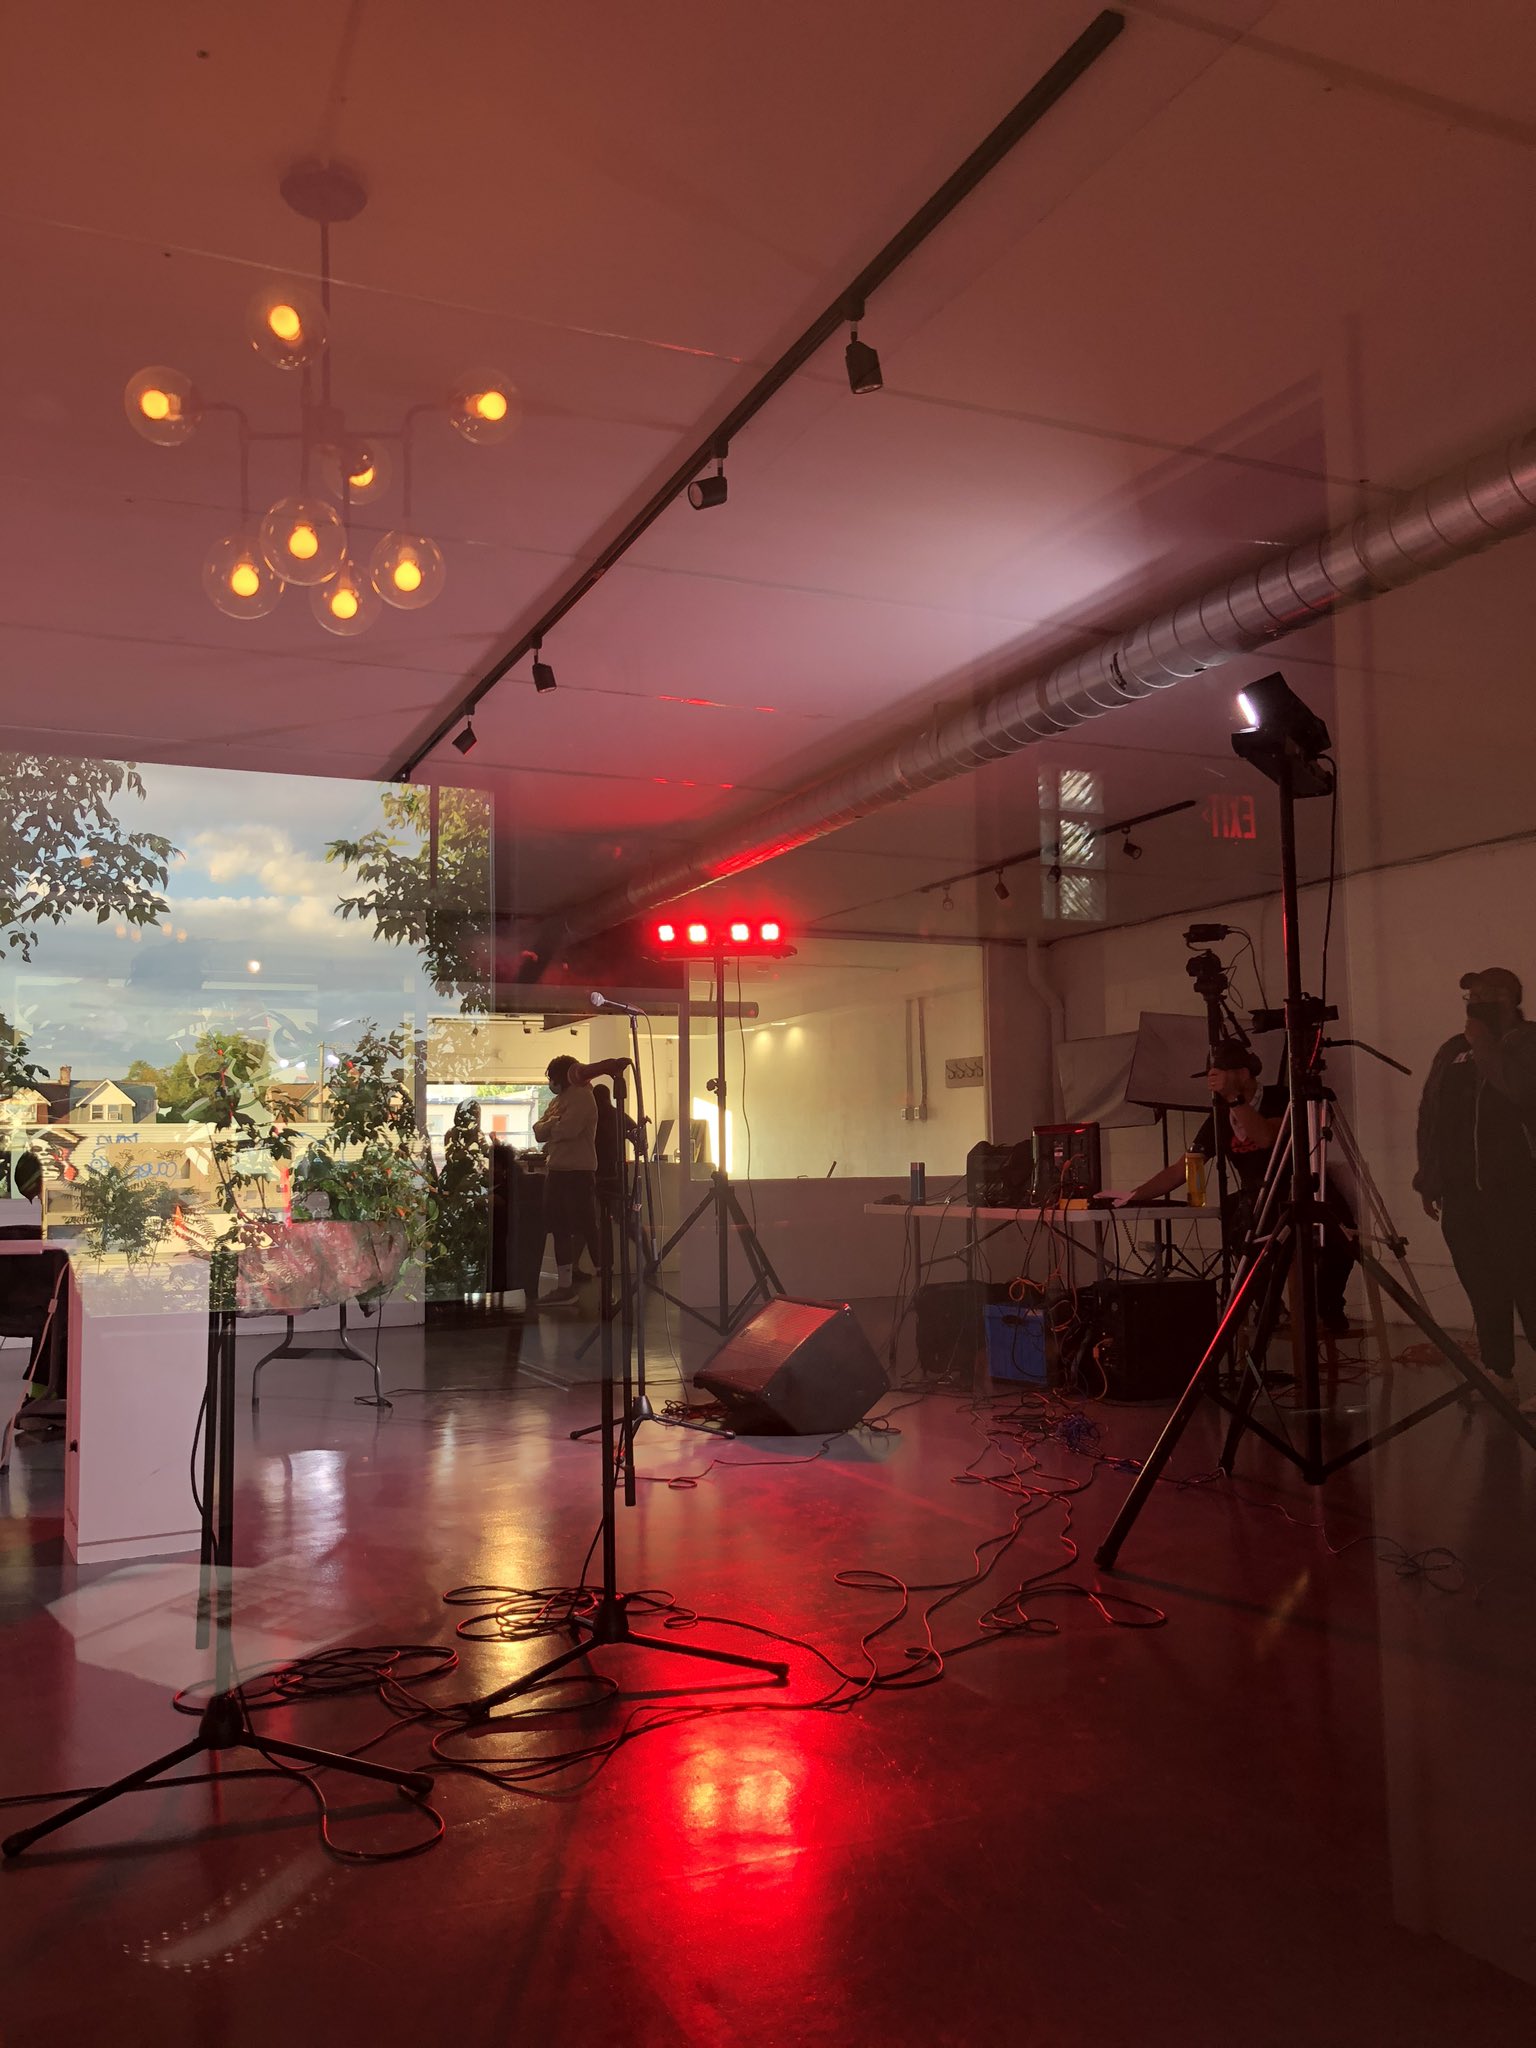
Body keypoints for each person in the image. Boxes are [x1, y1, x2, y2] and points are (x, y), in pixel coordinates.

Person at [1124, 1039, 1356, 1335]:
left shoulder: (1280, 1098)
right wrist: (1129, 1197)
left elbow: (1266, 1138)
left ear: (1244, 1073)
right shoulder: (1220, 1115)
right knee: (1237, 1220)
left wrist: (1235, 1099)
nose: (1214, 1082)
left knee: (1341, 1234)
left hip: (1295, 1188)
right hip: (1256, 1196)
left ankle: (1328, 1307)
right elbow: (1184, 1168)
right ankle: (1269, 1308)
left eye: (1220, 1073)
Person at [1414, 967, 1536, 1397]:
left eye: (1486, 995)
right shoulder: (1452, 1049)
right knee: (1483, 1287)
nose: (1475, 1002)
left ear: (1510, 999)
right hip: (1461, 1194)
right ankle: (1499, 1371)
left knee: (1529, 1284)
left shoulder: (1528, 1042)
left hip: (1519, 1192)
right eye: (1471, 996)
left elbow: (1520, 1090)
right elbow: (1430, 1114)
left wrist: (1485, 1042)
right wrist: (1428, 1178)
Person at [532, 1055, 598, 1308]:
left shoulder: (583, 1096)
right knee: (558, 1228)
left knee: (585, 1227)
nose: (551, 1083)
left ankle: (604, 1280)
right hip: (557, 1171)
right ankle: (564, 1286)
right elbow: (538, 1132)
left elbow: (568, 1130)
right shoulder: (558, 1101)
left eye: (552, 1077)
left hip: (578, 1172)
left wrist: (551, 1128)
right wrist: (553, 1125)